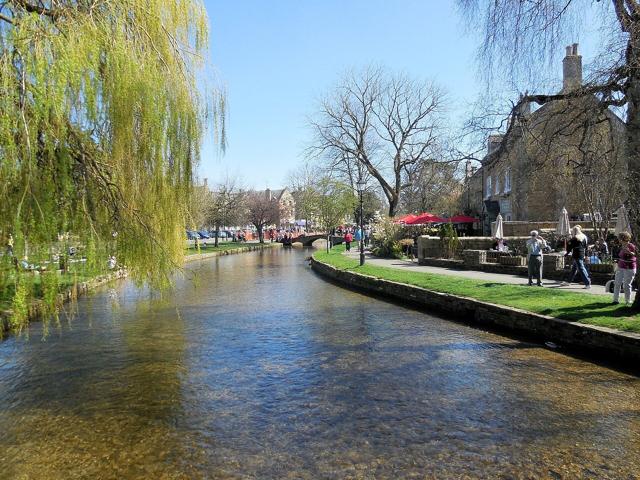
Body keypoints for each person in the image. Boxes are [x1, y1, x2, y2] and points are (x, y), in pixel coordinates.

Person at [613, 231, 636, 305]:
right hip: (620, 267)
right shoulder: (620, 246)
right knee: (617, 283)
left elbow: (635, 254)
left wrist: (630, 252)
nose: (618, 240)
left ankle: (628, 300)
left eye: (619, 238)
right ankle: (615, 300)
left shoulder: (631, 246)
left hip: (630, 267)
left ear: (622, 238)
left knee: (626, 285)